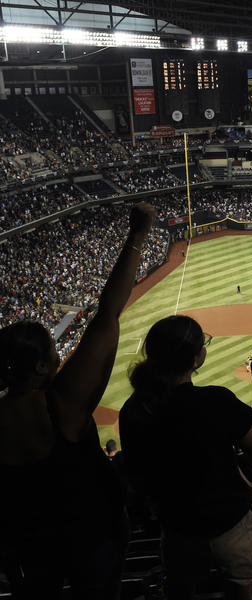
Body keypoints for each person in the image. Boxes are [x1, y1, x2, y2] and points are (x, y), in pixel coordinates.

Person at [0, 202, 156, 600]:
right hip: (90, 537)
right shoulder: (60, 406)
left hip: (29, 550)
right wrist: (137, 236)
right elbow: (108, 313)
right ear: (38, 367)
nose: (59, 355)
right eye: (53, 351)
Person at [119, 320, 252, 600]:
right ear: (196, 359)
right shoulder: (215, 400)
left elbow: (138, 477)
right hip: (229, 525)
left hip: (177, 530)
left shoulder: (134, 411)